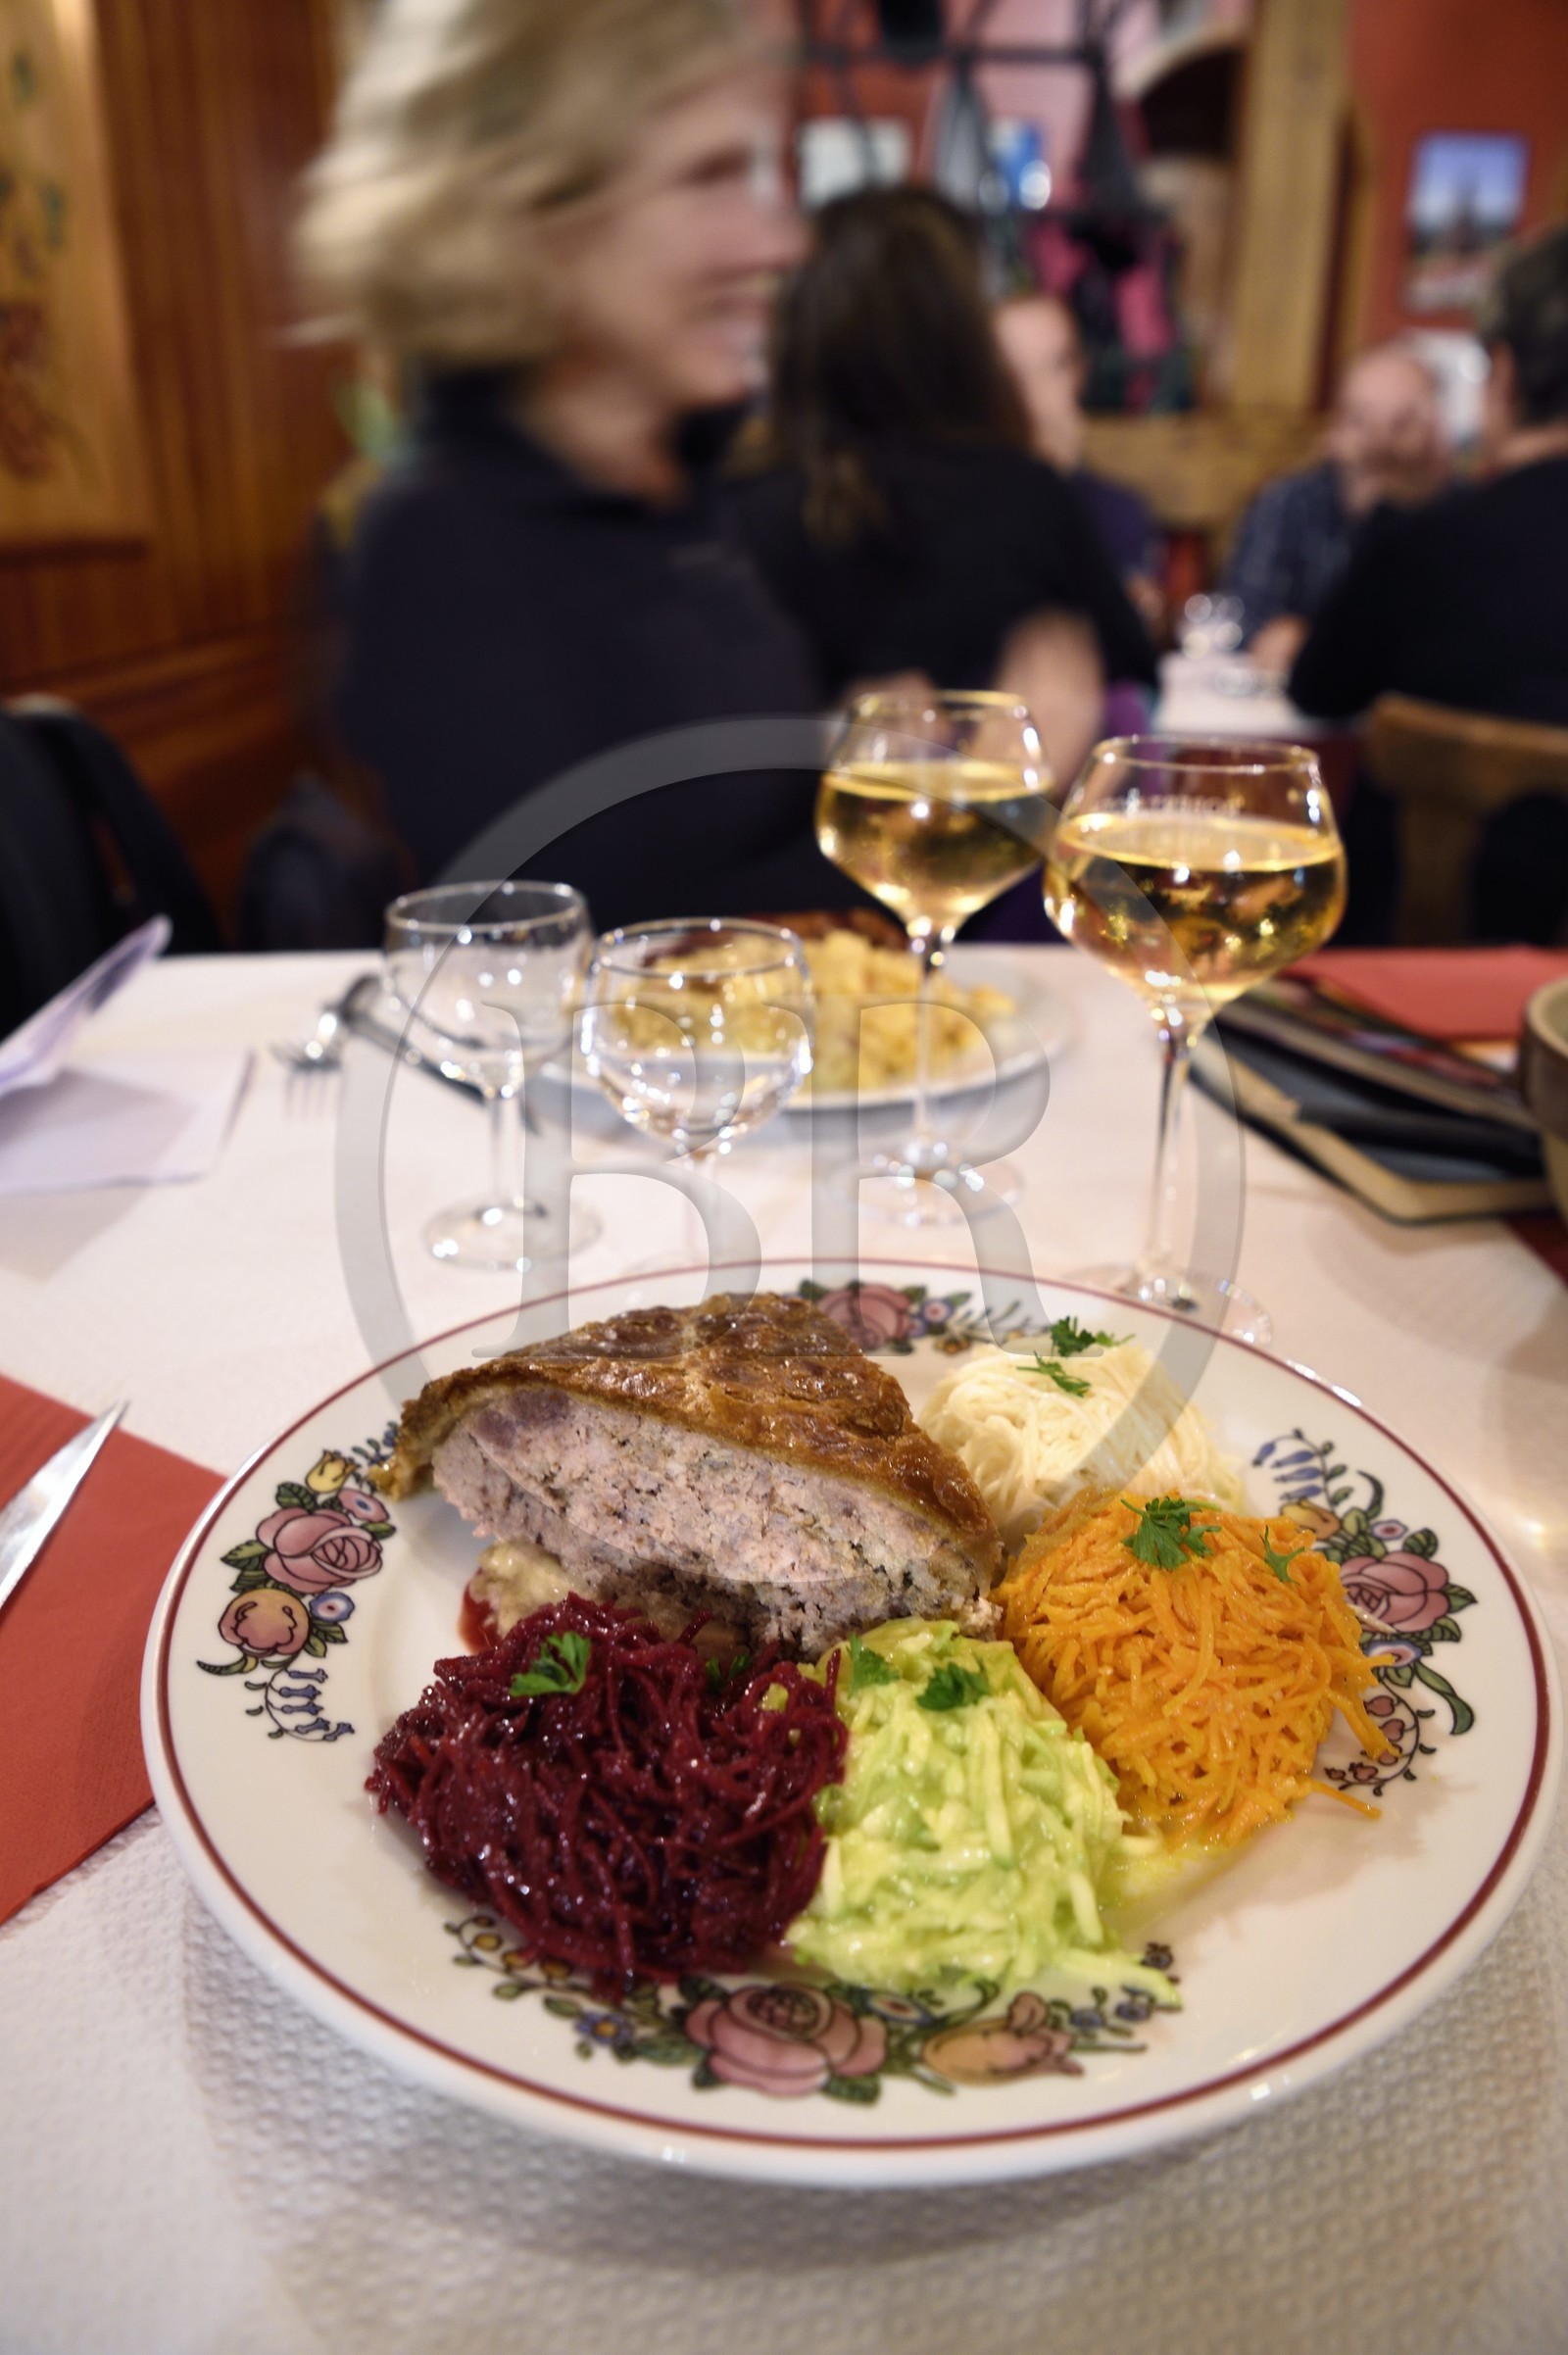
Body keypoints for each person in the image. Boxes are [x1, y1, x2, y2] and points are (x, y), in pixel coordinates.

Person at [296, 0, 851, 926]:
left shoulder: (674, 498)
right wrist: (935, 824)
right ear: (540, 216)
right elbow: (618, 953)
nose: (777, 242)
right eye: (709, 175)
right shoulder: (442, 548)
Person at [726, 188, 1156, 788]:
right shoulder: (1021, 496)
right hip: (986, 848)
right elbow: (1124, 684)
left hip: (794, 852)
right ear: (963, 331)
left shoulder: (733, 506)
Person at [1290, 225, 1568, 728]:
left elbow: (1317, 691)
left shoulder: (1426, 544)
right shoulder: (1303, 503)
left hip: (1447, 808)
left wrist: (1390, 510)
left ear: (1503, 375)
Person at [1221, 344, 1448, 673]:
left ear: (1434, 432)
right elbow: (1244, 620)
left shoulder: (1458, 513)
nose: (1378, 441)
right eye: (1361, 420)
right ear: (1334, 428)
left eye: (1400, 423)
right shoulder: (1288, 503)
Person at [994, 290, 1165, 635]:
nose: (1034, 390)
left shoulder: (1120, 510)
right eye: (1015, 371)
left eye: (1055, 365)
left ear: (1080, 373)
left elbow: (1139, 633)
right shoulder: (959, 508)